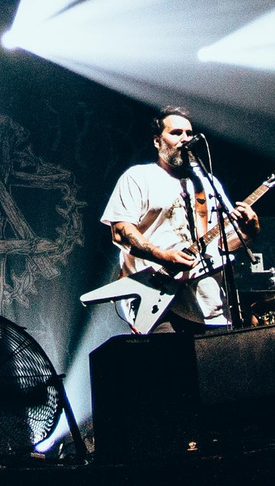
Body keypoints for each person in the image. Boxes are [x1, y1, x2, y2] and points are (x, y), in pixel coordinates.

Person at [98, 106, 258, 331]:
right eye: (176, 133)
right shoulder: (138, 177)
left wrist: (248, 232)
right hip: (160, 302)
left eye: (189, 133)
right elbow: (120, 231)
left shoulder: (208, 183)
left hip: (209, 304)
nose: (185, 139)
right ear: (157, 141)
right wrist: (162, 255)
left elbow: (221, 244)